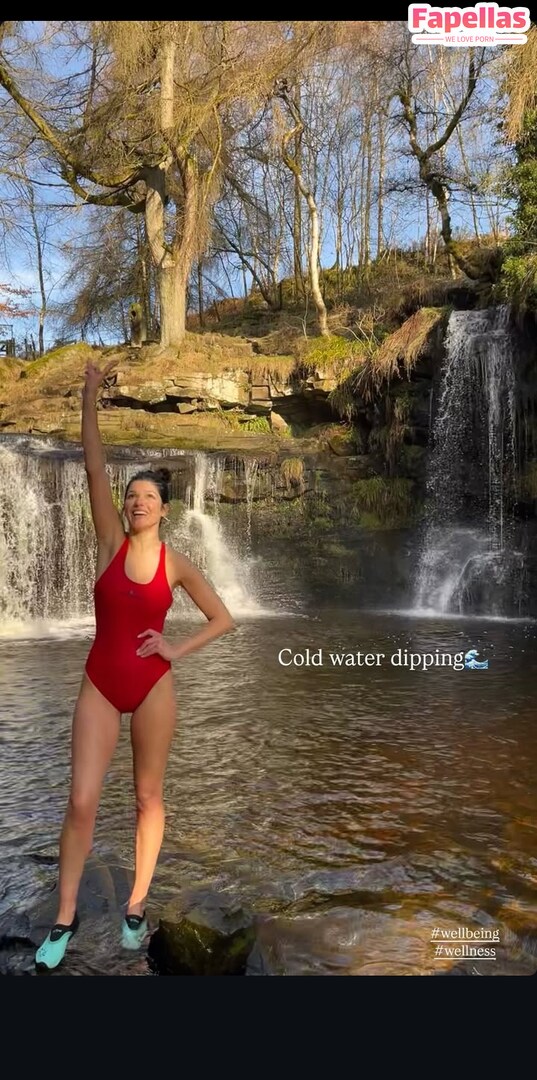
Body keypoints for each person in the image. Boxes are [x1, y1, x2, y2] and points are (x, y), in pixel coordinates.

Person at [35, 359, 236, 971]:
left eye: (148, 496)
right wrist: (90, 393)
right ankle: (65, 916)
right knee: (82, 801)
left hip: (153, 686)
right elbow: (94, 465)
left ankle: (136, 905)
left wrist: (175, 649)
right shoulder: (108, 543)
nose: (137, 501)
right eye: (132, 495)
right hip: (100, 683)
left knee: (149, 797)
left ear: (164, 509)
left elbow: (223, 618)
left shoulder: (177, 564)